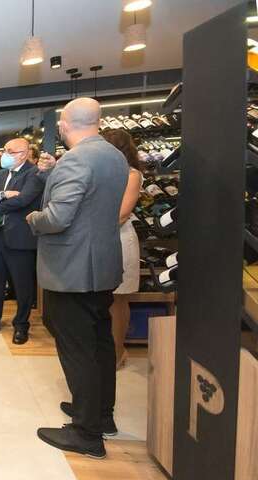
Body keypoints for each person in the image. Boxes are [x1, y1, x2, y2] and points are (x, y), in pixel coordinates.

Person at [26, 97, 128, 459]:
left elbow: (57, 217)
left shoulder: (76, 159)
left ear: (65, 125)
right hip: (101, 265)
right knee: (100, 343)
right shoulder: (114, 156)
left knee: (77, 348)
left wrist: (34, 220)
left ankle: (86, 434)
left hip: (72, 269)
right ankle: (101, 415)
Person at [0, 138, 44, 343]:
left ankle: (21, 325)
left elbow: (23, 200)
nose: (5, 154)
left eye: (10, 151)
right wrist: (3, 195)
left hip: (20, 238)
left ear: (24, 153)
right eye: (5, 150)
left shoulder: (34, 173)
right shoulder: (0, 174)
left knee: (22, 285)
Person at [101, 129, 144, 368]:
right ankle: (105, 351)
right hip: (98, 240)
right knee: (102, 301)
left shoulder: (132, 175)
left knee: (118, 301)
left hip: (119, 241)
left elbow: (122, 214)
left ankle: (117, 353)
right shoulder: (100, 173)